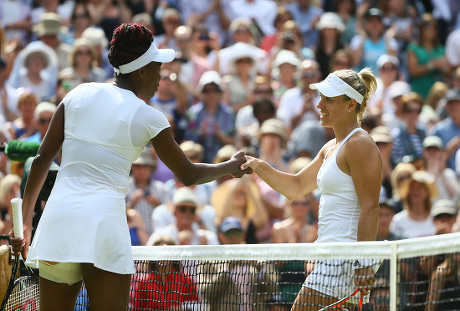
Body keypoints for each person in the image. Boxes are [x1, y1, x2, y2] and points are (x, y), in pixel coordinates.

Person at [9, 23, 249, 311]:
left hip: (58, 224)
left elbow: (42, 159)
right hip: (102, 227)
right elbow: (189, 174)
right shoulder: (150, 117)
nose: (161, 77)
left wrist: (25, 224)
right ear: (142, 70)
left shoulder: (77, 94)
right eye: (157, 68)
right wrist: (231, 166)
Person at [241, 67, 382, 310]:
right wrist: (258, 166)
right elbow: (295, 187)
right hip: (330, 256)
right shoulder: (330, 147)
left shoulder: (360, 144)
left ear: (350, 105)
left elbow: (371, 207)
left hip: (345, 259)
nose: (319, 105)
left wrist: (363, 263)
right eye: (321, 98)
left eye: (328, 99)